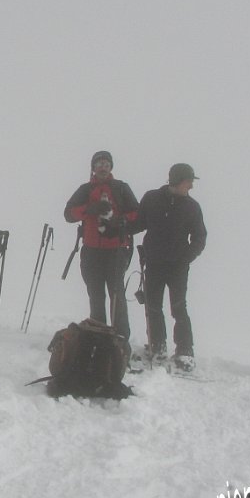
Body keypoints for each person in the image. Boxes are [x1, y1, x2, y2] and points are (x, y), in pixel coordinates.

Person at [129, 163, 207, 372]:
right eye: (189, 181)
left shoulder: (192, 207)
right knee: (153, 306)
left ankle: (185, 352)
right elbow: (138, 224)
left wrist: (187, 257)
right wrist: (115, 227)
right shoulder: (152, 198)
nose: (191, 186)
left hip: (178, 266)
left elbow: (200, 237)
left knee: (178, 307)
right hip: (153, 262)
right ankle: (158, 347)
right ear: (178, 180)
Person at [64, 151, 139, 350]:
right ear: (93, 168)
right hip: (92, 251)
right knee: (96, 294)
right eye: (99, 164)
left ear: (111, 167)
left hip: (116, 250)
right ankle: (98, 339)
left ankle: (120, 343)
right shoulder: (86, 189)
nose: (103, 167)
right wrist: (89, 209)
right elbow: (68, 214)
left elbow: (137, 214)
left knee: (117, 297)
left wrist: (119, 221)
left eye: (106, 163)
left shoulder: (121, 188)